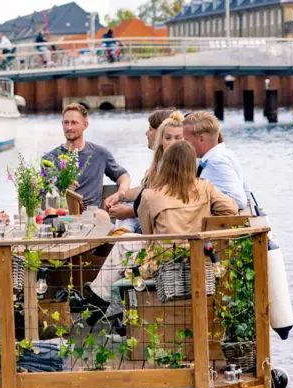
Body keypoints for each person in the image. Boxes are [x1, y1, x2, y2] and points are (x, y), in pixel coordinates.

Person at [85, 141, 238, 326]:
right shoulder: (206, 187)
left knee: (125, 247)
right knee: (126, 241)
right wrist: (207, 224)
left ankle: (99, 303)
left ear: (165, 164)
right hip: (197, 254)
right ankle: (104, 304)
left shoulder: (150, 195)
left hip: (160, 260)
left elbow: (148, 232)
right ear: (192, 164)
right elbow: (231, 209)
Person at [42, 103, 131, 210]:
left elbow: (123, 175)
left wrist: (120, 193)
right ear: (62, 124)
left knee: (102, 216)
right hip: (60, 215)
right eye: (66, 122)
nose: (69, 127)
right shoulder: (49, 159)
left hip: (91, 215)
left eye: (74, 123)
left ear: (85, 125)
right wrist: (64, 188)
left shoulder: (100, 154)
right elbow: (47, 190)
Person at [106, 110, 185, 231]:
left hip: (166, 224)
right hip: (149, 215)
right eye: (168, 138)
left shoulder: (183, 166)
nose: (146, 133)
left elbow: (164, 200)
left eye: (150, 129)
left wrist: (130, 212)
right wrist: (121, 195)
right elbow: (146, 188)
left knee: (126, 220)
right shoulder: (159, 163)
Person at [182, 111, 248, 210]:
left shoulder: (216, 162)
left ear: (201, 139)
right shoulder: (223, 154)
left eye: (186, 140)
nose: (183, 144)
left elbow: (238, 201)